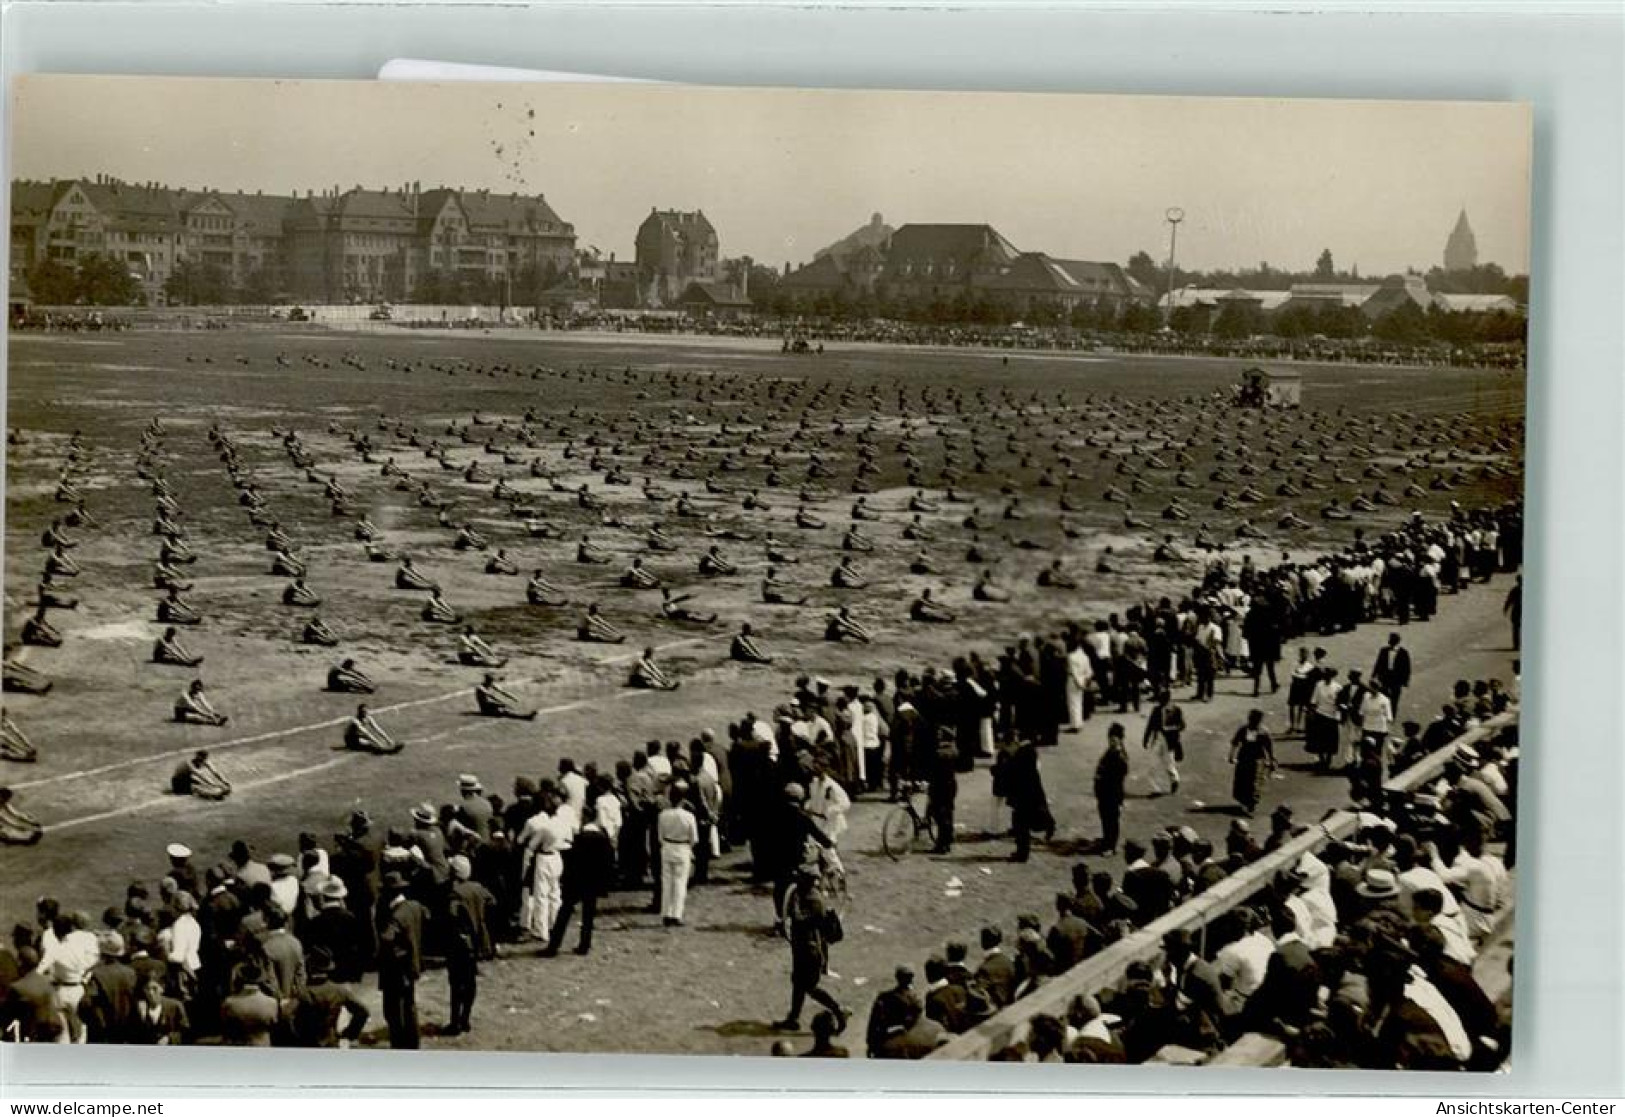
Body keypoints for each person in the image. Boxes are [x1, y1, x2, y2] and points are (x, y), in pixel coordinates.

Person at [774, 866, 848, 1033]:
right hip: (800, 948)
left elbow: (801, 919)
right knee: (798, 984)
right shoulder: (801, 894)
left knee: (810, 987)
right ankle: (793, 1019)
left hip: (810, 951)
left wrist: (792, 907)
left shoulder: (814, 901)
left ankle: (838, 1010)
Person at [544, 799, 615, 956]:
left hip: (576, 881)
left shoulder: (580, 838)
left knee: (564, 913)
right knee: (588, 915)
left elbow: (571, 860)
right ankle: (585, 944)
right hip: (593, 881)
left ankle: (554, 945)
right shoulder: (603, 838)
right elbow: (608, 862)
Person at [443, 855, 494, 1036]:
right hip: (478, 941)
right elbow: (491, 901)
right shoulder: (478, 888)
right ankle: (465, 1019)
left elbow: (452, 915)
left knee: (456, 985)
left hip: (460, 944)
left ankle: (455, 1022)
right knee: (470, 983)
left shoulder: (455, 893)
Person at [377, 871, 427, 1049]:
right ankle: (413, 1042)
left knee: (393, 1010)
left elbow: (387, 938)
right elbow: (427, 916)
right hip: (412, 964)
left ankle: (399, 1043)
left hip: (397, 968)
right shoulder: (415, 907)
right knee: (409, 1005)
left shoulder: (396, 916)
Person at [656, 785, 698, 927]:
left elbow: (660, 836)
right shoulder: (689, 816)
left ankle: (666, 913)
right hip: (682, 848)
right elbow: (694, 838)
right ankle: (676, 914)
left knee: (667, 882)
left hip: (667, 847)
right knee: (680, 883)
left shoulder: (663, 815)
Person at [1227, 709, 1277, 818]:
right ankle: (1245, 802)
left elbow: (1269, 747)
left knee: (1254, 781)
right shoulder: (1244, 730)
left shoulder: (1262, 732)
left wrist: (1272, 760)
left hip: (1256, 760)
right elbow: (1235, 742)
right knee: (1242, 780)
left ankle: (1251, 803)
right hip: (1245, 758)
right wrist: (1231, 756)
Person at [1092, 724, 1129, 854]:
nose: (1111, 741)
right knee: (1105, 818)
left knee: (1111, 820)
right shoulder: (1111, 752)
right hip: (1104, 793)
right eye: (1110, 739)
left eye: (1114, 739)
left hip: (1112, 794)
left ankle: (1111, 846)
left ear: (1120, 739)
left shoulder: (1119, 756)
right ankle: (1106, 840)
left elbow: (1118, 779)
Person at [1142, 689, 1183, 796]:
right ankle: (1156, 789)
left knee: (1169, 764)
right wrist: (1146, 739)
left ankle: (1174, 780)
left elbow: (1182, 726)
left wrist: (1169, 728)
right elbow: (1150, 725)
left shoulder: (1176, 710)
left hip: (1169, 741)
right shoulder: (1156, 710)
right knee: (1152, 764)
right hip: (1158, 738)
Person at [1372, 633, 1413, 717]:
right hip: (1385, 677)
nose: (1389, 641)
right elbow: (1378, 663)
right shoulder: (1383, 650)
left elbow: (1407, 668)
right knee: (1383, 696)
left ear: (1396, 641)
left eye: (1392, 640)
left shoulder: (1403, 653)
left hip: (1396, 679)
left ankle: (1391, 715)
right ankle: (1383, 714)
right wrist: (1374, 675)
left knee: (1394, 699)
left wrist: (1405, 681)